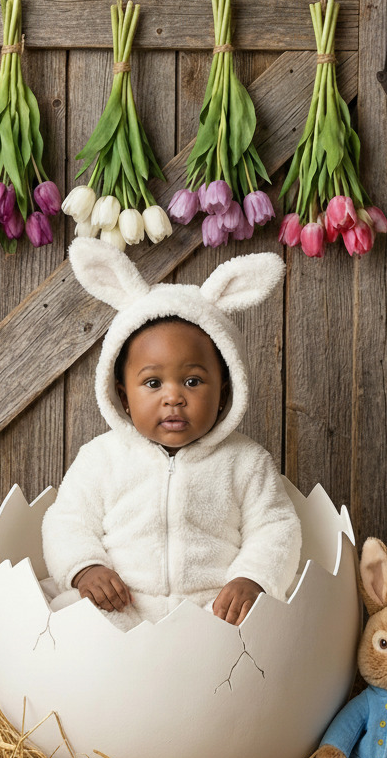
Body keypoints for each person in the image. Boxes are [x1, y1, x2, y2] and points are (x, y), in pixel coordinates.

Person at [41, 239, 301, 630]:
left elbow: (276, 528)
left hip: (214, 612)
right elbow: (66, 522)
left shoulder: (246, 461)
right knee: (65, 619)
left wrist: (252, 579)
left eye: (193, 380)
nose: (174, 396)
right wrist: (85, 569)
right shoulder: (101, 457)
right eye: (152, 382)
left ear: (226, 390)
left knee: (269, 627)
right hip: (120, 606)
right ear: (122, 392)